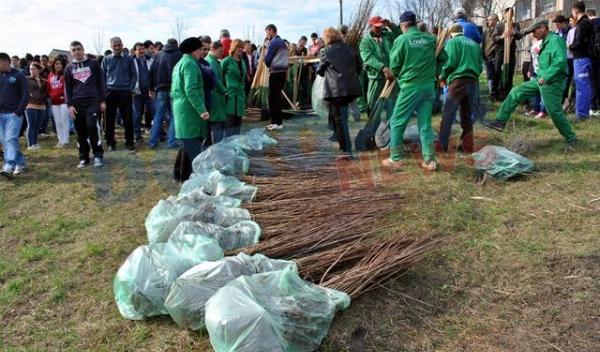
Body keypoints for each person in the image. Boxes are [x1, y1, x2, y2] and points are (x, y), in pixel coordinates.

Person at [483, 20, 577, 148]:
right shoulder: (544, 41)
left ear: (543, 28)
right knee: (516, 92)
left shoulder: (555, 40)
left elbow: (560, 62)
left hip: (552, 82)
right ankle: (500, 121)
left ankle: (570, 137)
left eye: (534, 31)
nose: (533, 34)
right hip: (540, 79)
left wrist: (546, 76)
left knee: (554, 111)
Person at [384, 11, 438, 171]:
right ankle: (430, 160)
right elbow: (443, 58)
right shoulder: (430, 39)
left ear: (403, 25)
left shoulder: (401, 40)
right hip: (428, 87)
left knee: (397, 122)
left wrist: (391, 73)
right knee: (425, 125)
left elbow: (394, 66)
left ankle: (396, 158)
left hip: (410, 88)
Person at [437, 24, 482, 154]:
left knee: (448, 114)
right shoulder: (474, 45)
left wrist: (442, 76)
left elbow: (450, 63)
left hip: (458, 82)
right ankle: (467, 146)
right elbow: (480, 66)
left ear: (451, 34)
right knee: (467, 115)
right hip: (472, 82)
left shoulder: (452, 43)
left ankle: (442, 145)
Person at [317, 27, 362, 158]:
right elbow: (359, 66)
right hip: (351, 88)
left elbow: (320, 71)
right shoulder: (350, 49)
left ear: (327, 38)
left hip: (336, 90)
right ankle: (345, 147)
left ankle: (347, 150)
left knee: (341, 120)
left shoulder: (326, 52)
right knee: (342, 119)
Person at [171, 37, 210, 182]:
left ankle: (178, 174)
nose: (202, 52)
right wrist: (202, 110)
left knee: (186, 144)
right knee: (192, 145)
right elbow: (191, 89)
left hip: (183, 107)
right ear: (194, 51)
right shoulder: (190, 65)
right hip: (189, 110)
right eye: (200, 49)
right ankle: (185, 180)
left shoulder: (181, 62)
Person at [64, 41, 106, 168]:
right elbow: (68, 87)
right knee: (80, 132)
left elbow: (101, 82)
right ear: (71, 52)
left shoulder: (93, 63)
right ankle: (84, 157)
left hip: (92, 101)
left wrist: (103, 100)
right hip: (77, 103)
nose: (76, 52)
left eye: (78, 49)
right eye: (74, 50)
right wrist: (69, 105)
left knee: (92, 127)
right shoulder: (69, 67)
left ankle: (98, 155)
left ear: (83, 49)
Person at [359, 16, 401, 117]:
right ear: (371, 26)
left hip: (391, 76)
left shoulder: (388, 36)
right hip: (376, 77)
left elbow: (401, 35)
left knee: (392, 103)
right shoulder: (365, 41)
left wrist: (390, 25)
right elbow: (368, 57)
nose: (379, 28)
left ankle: (391, 128)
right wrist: (383, 68)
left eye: (380, 26)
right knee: (373, 104)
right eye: (376, 26)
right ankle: (372, 127)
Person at [102, 36, 138, 151]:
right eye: (114, 46)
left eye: (119, 45)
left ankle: (129, 142)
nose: (117, 47)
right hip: (110, 91)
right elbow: (102, 77)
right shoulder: (106, 59)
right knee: (109, 119)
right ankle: (110, 142)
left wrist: (130, 89)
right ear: (111, 47)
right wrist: (104, 91)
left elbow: (134, 75)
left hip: (125, 91)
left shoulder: (129, 59)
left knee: (128, 118)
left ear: (122, 45)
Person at [148, 38, 182, 149]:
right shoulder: (179, 54)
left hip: (160, 88)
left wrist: (151, 88)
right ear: (176, 44)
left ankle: (152, 141)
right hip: (174, 88)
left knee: (158, 115)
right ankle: (171, 141)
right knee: (174, 115)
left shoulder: (159, 55)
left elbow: (152, 71)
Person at [0, 52, 29, 179]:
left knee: (10, 139)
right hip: (0, 114)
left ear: (5, 61)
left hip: (13, 114)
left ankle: (9, 165)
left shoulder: (19, 75)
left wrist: (18, 112)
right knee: (5, 141)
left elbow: (26, 94)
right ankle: (20, 163)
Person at [569, 1, 595, 121]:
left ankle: (582, 115)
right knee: (582, 86)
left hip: (582, 59)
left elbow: (579, 43)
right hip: (583, 58)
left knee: (582, 86)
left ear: (575, 11)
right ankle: (581, 113)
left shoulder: (583, 24)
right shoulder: (587, 23)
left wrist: (569, 47)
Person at [492, 7, 523, 101]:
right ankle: (494, 93)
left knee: (510, 72)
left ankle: (507, 93)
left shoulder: (516, 25)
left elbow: (519, 36)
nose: (508, 16)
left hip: (511, 53)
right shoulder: (499, 26)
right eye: (507, 14)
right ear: (504, 15)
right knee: (497, 72)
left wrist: (513, 32)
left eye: (510, 14)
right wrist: (502, 36)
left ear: (512, 15)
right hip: (500, 53)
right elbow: (494, 38)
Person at [264, 24, 288, 130]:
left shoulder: (273, 42)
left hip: (275, 72)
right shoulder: (282, 42)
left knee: (273, 98)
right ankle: (276, 122)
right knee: (276, 97)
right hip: (282, 72)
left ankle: (276, 122)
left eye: (267, 32)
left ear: (271, 30)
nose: (266, 35)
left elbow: (267, 59)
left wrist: (267, 61)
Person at [222, 39, 247, 136]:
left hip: (240, 96)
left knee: (238, 123)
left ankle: (235, 145)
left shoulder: (243, 62)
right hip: (230, 95)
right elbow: (220, 77)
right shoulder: (226, 61)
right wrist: (224, 90)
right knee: (229, 123)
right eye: (238, 47)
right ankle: (227, 146)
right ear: (233, 48)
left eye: (242, 47)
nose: (240, 49)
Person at [132, 42, 155, 143]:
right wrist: (131, 89)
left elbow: (153, 75)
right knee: (137, 115)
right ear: (135, 51)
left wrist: (153, 89)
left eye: (142, 49)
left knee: (156, 112)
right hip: (136, 93)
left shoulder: (150, 60)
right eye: (139, 49)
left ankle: (157, 133)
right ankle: (137, 136)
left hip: (149, 92)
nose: (141, 51)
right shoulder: (131, 61)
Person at [206, 41, 228, 143]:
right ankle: (216, 149)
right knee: (216, 126)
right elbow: (215, 80)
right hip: (215, 98)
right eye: (220, 51)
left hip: (218, 97)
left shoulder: (214, 60)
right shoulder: (210, 61)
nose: (222, 53)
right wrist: (224, 91)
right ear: (213, 49)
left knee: (218, 125)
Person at [47, 56, 70, 147]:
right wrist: (51, 96)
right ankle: (60, 140)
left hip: (64, 101)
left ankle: (66, 140)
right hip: (54, 102)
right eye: (57, 64)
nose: (59, 65)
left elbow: (68, 88)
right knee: (57, 121)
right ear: (53, 64)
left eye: (61, 64)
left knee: (64, 120)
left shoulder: (65, 74)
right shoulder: (50, 75)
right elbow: (49, 88)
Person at [24, 62, 48, 150]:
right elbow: (22, 90)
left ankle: (35, 143)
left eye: (33, 69)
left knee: (38, 125)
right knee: (31, 125)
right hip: (30, 105)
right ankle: (30, 145)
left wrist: (44, 95)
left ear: (39, 70)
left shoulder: (44, 81)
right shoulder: (26, 79)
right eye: (30, 69)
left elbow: (47, 92)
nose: (31, 71)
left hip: (42, 105)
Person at [585, 8, 600, 114]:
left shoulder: (588, 24)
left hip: (592, 56)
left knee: (591, 81)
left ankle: (593, 106)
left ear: (587, 15)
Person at [483, 15, 499, 98]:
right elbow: (484, 43)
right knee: (489, 75)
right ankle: (491, 92)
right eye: (488, 20)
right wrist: (483, 54)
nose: (488, 21)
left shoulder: (499, 29)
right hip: (487, 56)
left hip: (495, 55)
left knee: (496, 74)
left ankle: (495, 91)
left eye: (490, 20)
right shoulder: (486, 31)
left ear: (495, 20)